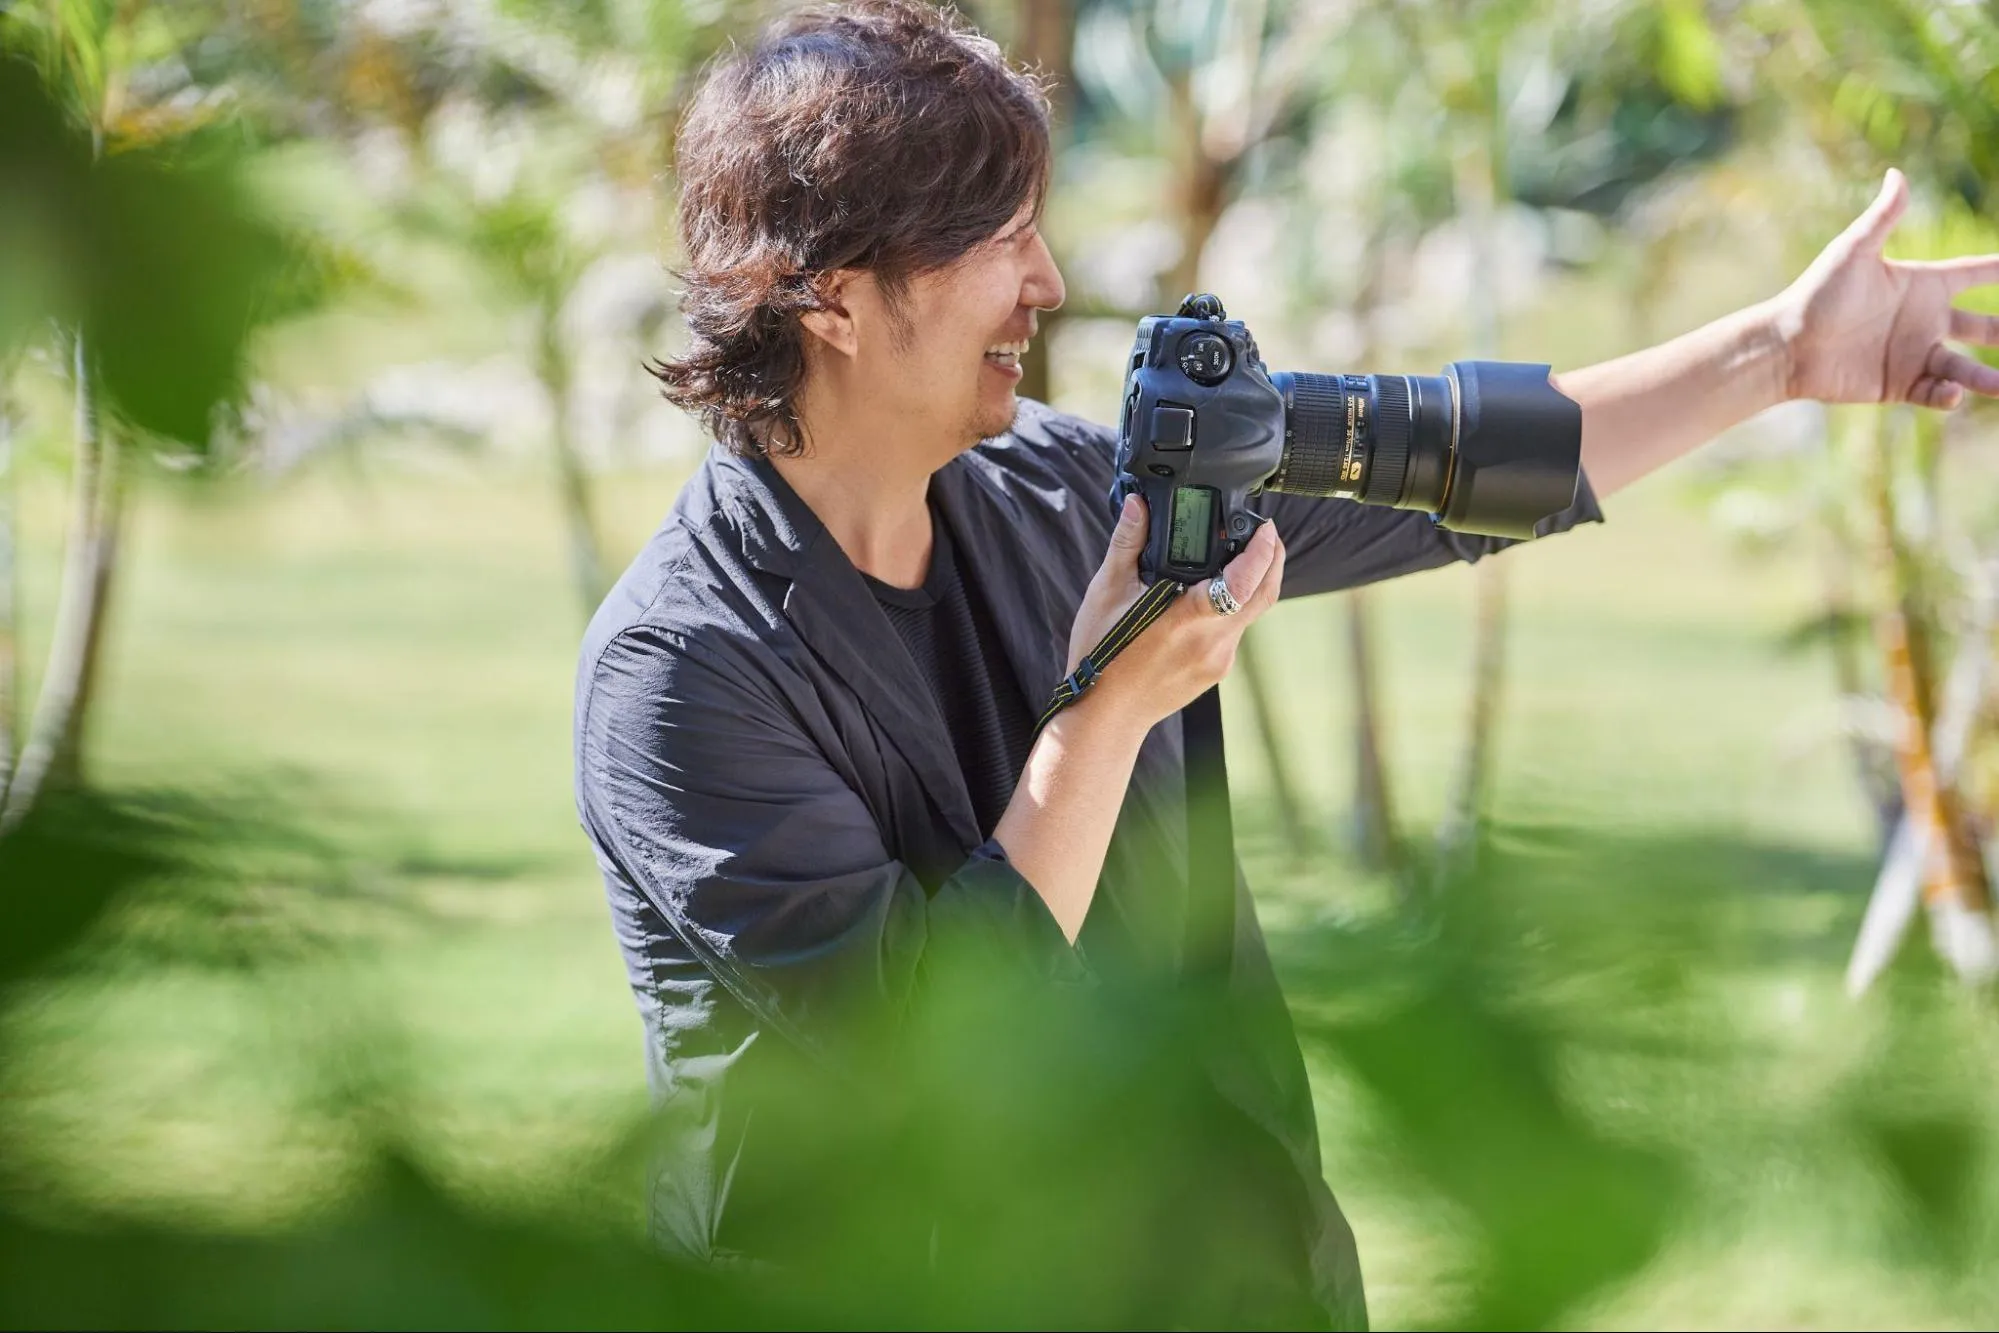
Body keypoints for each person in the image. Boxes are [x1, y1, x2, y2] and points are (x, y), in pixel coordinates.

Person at [573, 2, 1999, 1325]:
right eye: (996, 241)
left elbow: (1442, 477)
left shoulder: (1067, 493)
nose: (1048, 283)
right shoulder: (684, 673)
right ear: (828, 299)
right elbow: (931, 1044)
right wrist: (1105, 711)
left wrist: (1781, 354)